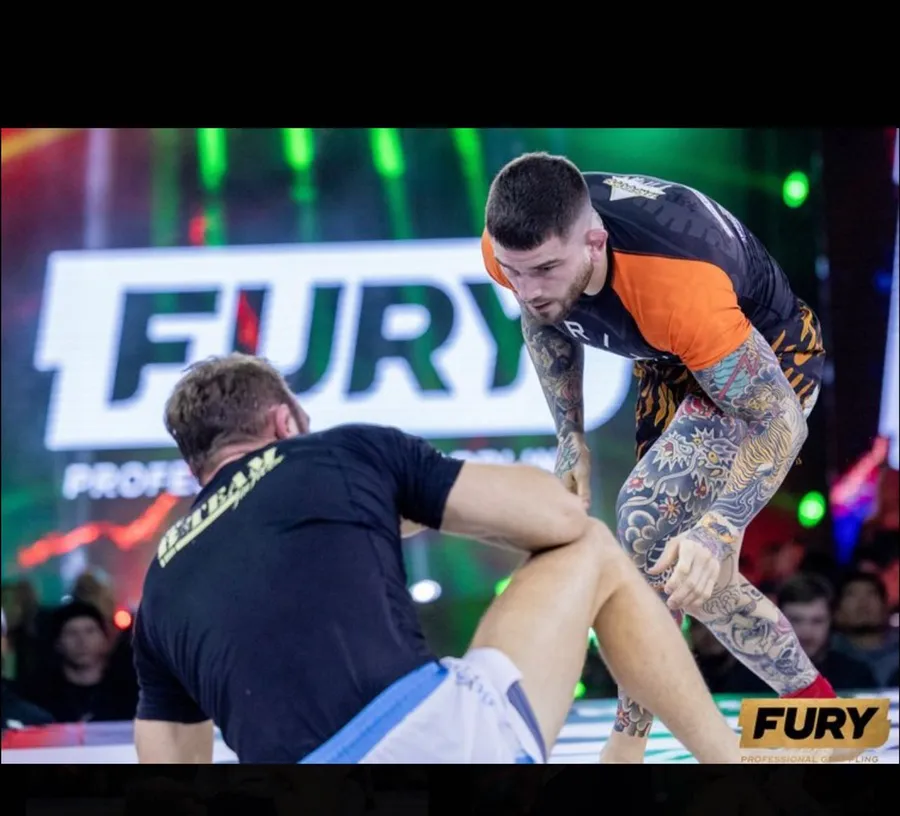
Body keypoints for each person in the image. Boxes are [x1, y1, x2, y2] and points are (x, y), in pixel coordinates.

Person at [132, 353, 742, 764]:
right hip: (429, 745)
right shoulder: (336, 453)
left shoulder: (161, 580)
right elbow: (561, 518)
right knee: (593, 548)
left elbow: (169, 763)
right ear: (284, 420)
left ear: (197, 463)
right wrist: (405, 505)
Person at [480, 152, 838, 763]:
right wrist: (570, 435)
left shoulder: (678, 284)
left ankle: (630, 740)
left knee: (648, 523)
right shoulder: (512, 245)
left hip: (766, 360)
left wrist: (721, 527)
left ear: (595, 243)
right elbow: (543, 320)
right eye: (515, 273)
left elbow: (779, 420)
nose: (528, 289)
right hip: (669, 358)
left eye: (545, 270)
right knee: (673, 561)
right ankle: (823, 717)